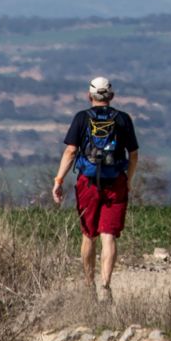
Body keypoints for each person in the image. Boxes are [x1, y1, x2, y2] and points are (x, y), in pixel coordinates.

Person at [51, 77, 140, 301]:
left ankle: (89, 284)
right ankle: (106, 288)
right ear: (111, 96)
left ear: (89, 96)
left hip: (88, 183)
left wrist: (59, 180)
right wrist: (128, 179)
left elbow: (71, 151)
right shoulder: (123, 119)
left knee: (88, 235)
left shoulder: (81, 118)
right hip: (116, 183)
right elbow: (134, 154)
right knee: (108, 236)